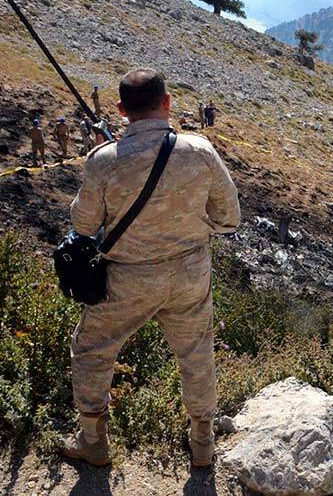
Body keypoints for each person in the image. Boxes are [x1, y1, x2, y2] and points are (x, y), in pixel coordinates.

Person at [62, 67, 240, 469]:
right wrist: (192, 231)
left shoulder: (104, 161)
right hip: (189, 274)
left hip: (127, 278)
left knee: (92, 350)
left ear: (121, 109)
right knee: (197, 353)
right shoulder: (200, 151)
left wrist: (106, 157)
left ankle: (93, 442)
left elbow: (84, 226)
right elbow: (230, 219)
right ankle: (202, 444)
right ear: (168, 103)